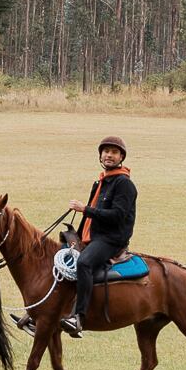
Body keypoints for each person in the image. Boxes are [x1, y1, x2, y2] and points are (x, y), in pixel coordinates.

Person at [61, 134, 136, 335]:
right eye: (106, 152)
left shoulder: (124, 184)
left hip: (111, 239)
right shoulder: (102, 181)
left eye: (114, 152)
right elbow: (91, 215)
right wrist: (74, 236)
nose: (109, 155)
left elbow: (117, 216)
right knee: (59, 255)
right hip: (93, 236)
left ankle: (78, 317)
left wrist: (84, 209)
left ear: (121, 157)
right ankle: (45, 312)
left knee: (84, 263)